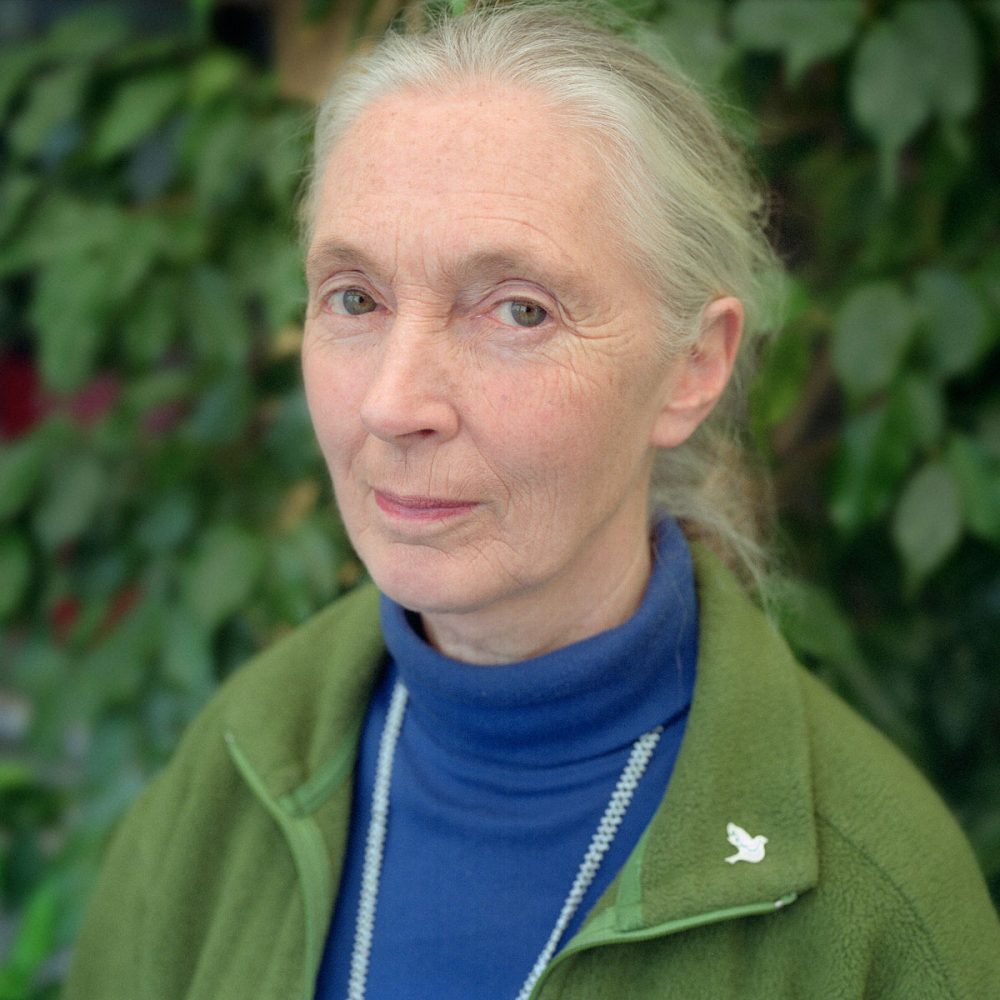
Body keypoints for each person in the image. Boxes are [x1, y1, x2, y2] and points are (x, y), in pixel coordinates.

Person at [64, 4, 1000, 999]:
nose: (393, 403)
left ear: (692, 365)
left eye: (517, 308)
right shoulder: (235, 768)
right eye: (354, 297)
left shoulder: (874, 903)